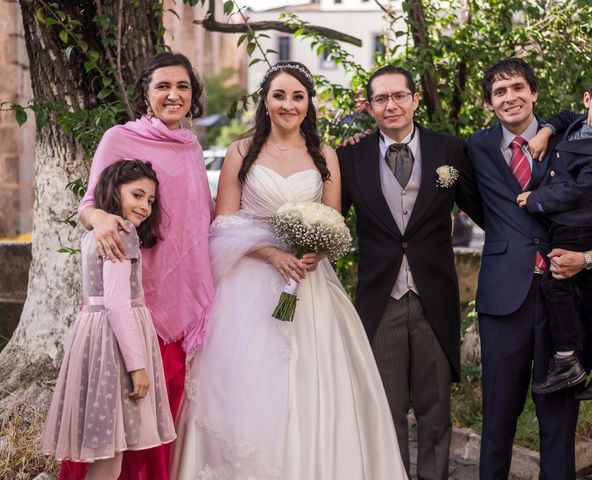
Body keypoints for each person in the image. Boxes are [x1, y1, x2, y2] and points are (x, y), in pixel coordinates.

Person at [170, 61, 407, 480]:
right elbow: (223, 223)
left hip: (308, 286)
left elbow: (333, 221)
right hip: (249, 285)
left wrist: (316, 251)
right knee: (245, 389)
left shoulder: (324, 156)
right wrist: (269, 253)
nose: (288, 104)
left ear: (308, 103)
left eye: (297, 97)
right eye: (279, 95)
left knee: (311, 385)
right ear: (265, 100)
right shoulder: (241, 152)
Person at [466, 58, 592, 480]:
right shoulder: (475, 148)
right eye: (499, 92)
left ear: (534, 93)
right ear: (490, 103)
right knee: (497, 422)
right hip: (504, 301)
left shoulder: (576, 138)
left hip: (565, 297)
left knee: (558, 425)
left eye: (518, 87)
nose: (510, 97)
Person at [63, 52, 214, 480]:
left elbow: (198, 215)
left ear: (193, 96)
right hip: (132, 296)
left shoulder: (191, 146)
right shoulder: (119, 138)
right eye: (163, 86)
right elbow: (90, 204)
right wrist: (101, 220)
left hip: (182, 294)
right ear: (146, 95)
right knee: (121, 408)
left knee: (160, 407)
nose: (173, 94)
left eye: (182, 87)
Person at [337, 65, 484, 480]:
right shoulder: (351, 156)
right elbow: (330, 220)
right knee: (387, 405)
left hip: (433, 297)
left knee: (436, 407)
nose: (391, 105)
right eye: (381, 99)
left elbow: (486, 210)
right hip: (380, 299)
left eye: (399, 96)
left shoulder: (450, 152)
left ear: (415, 99)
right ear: (368, 107)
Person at [41, 160, 176, 480]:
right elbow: (117, 304)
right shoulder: (122, 232)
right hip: (114, 348)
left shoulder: (96, 233)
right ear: (115, 192)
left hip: (95, 335)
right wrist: (137, 365)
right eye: (137, 195)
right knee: (111, 456)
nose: (145, 206)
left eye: (150, 200)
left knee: (108, 452)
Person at [516, 68, 592, 399]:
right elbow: (564, 115)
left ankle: (567, 359)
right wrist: (545, 132)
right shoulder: (578, 122)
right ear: (588, 100)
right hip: (578, 223)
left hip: (578, 225)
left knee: (555, 285)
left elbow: (578, 192)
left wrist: (536, 200)